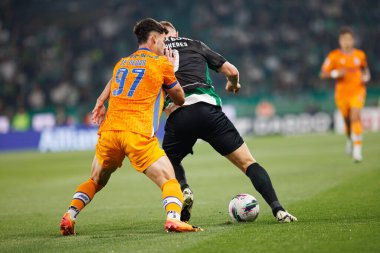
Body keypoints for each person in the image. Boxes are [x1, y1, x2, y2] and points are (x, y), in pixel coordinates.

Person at [60, 18, 202, 236]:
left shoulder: (122, 63)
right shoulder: (161, 63)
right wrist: (172, 70)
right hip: (137, 132)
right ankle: (174, 219)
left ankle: (70, 215)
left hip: (110, 132)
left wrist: (100, 100)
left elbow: (113, 83)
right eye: (164, 41)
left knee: (95, 180)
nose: (165, 46)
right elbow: (180, 99)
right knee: (169, 179)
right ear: (154, 39)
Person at [159, 21, 297, 223]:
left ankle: (184, 189)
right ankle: (279, 210)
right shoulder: (195, 44)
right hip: (208, 110)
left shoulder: (156, 54)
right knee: (248, 163)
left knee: (168, 162)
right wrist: (233, 85)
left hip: (178, 115)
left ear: (158, 37)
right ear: (177, 33)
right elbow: (232, 71)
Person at [320, 26, 370, 162]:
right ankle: (349, 139)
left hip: (358, 91)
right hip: (342, 94)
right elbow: (322, 74)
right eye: (344, 39)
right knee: (348, 122)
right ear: (340, 41)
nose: (346, 42)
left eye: (349, 39)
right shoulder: (334, 56)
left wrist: (366, 77)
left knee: (355, 116)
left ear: (353, 41)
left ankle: (358, 151)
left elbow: (365, 70)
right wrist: (335, 73)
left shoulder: (360, 55)